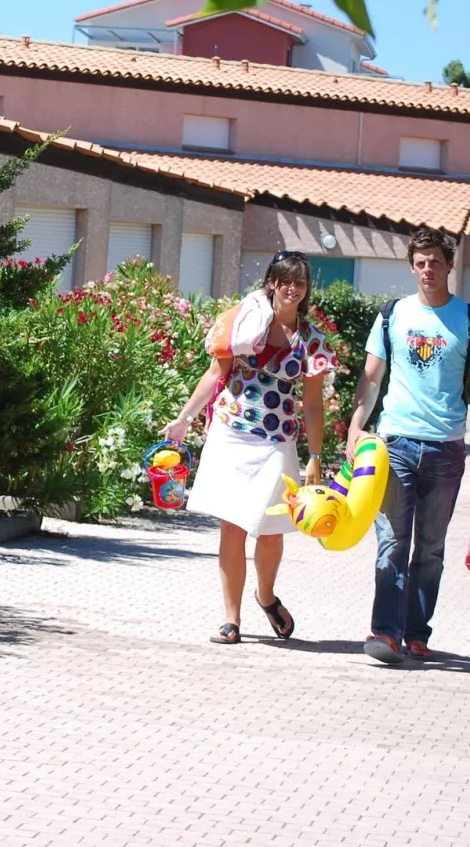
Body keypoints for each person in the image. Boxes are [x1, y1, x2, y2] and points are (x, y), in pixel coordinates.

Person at [346, 228, 470, 665]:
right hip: (395, 442)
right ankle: (386, 633)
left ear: (449, 264)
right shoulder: (392, 314)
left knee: (430, 548)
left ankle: (417, 634)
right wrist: (356, 427)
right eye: (420, 262)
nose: (428, 269)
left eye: (435, 260)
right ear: (412, 267)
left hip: (447, 449)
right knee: (392, 542)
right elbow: (372, 377)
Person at [163, 251, 337, 645]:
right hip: (232, 431)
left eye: (300, 283)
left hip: (277, 441)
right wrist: (184, 418)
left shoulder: (311, 340)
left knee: (271, 530)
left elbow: (312, 403)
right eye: (284, 281)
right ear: (272, 283)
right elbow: (214, 375)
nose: (292, 289)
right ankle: (231, 618)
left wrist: (314, 456)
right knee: (233, 526)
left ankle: (266, 595)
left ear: (306, 289)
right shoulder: (245, 325)